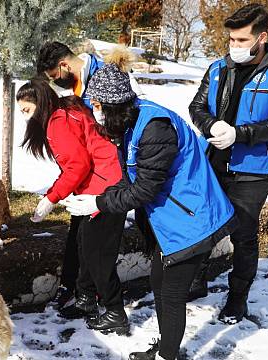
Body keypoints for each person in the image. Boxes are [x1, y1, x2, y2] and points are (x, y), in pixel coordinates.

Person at [64, 63, 236, 360]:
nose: (95, 112)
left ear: (112, 104)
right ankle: (166, 346)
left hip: (193, 219)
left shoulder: (154, 128)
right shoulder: (132, 124)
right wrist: (99, 196)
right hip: (173, 218)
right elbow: (132, 179)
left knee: (171, 293)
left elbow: (145, 189)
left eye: (97, 105)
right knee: (158, 281)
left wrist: (98, 203)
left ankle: (167, 355)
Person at [188, 3, 268, 324]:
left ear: (261, 37)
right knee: (203, 226)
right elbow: (197, 105)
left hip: (252, 170)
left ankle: (237, 298)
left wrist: (240, 134)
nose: (234, 46)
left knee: (243, 236)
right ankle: (195, 281)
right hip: (213, 162)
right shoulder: (217, 69)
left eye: (241, 40)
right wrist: (210, 126)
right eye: (231, 40)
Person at [16, 79, 129, 335]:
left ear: (41, 103)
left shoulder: (58, 122)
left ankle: (115, 311)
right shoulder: (65, 112)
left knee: (97, 254)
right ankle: (86, 299)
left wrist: (50, 198)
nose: (25, 118)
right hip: (100, 184)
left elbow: (77, 166)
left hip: (105, 188)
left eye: (27, 110)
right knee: (83, 245)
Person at [36, 42, 142, 309]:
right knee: (79, 235)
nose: (55, 83)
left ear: (63, 66)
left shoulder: (104, 76)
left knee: (100, 245)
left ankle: (102, 301)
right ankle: (74, 288)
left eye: (53, 77)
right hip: (87, 177)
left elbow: (126, 121)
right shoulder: (77, 87)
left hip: (111, 175)